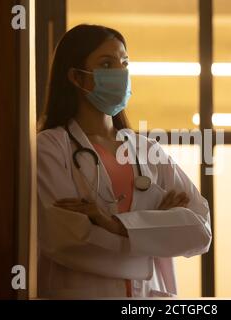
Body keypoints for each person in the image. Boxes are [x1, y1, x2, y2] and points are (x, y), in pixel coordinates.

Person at [36, 24, 211, 299]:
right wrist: (156, 232)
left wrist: (113, 224)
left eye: (124, 62)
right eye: (107, 63)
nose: (121, 72)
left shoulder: (147, 150)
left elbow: (201, 231)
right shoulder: (50, 148)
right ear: (76, 77)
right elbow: (65, 239)